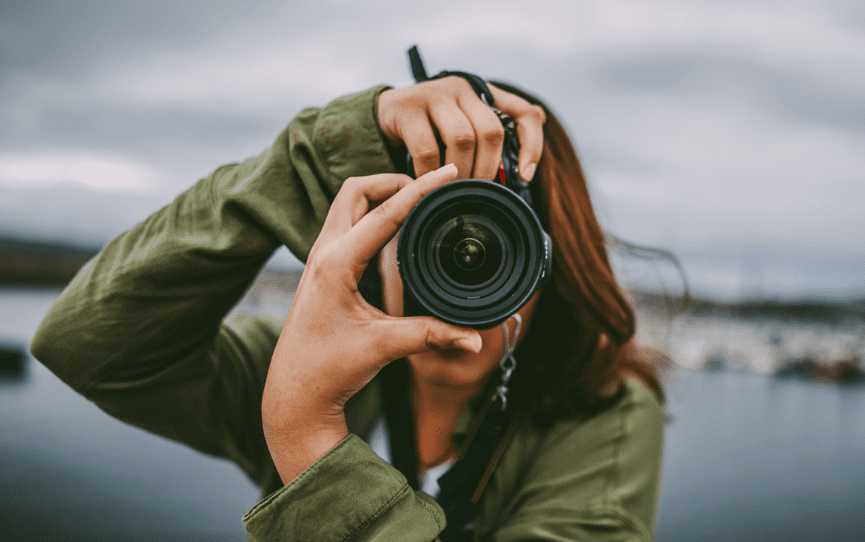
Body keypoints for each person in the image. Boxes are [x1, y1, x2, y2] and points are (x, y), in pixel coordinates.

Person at [32, 73, 665, 541]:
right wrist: (309, 155)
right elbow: (88, 345)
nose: (464, 279)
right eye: (429, 233)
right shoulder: (304, 367)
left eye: (503, 245)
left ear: (552, 267)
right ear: (375, 240)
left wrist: (308, 436)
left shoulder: (603, 412)